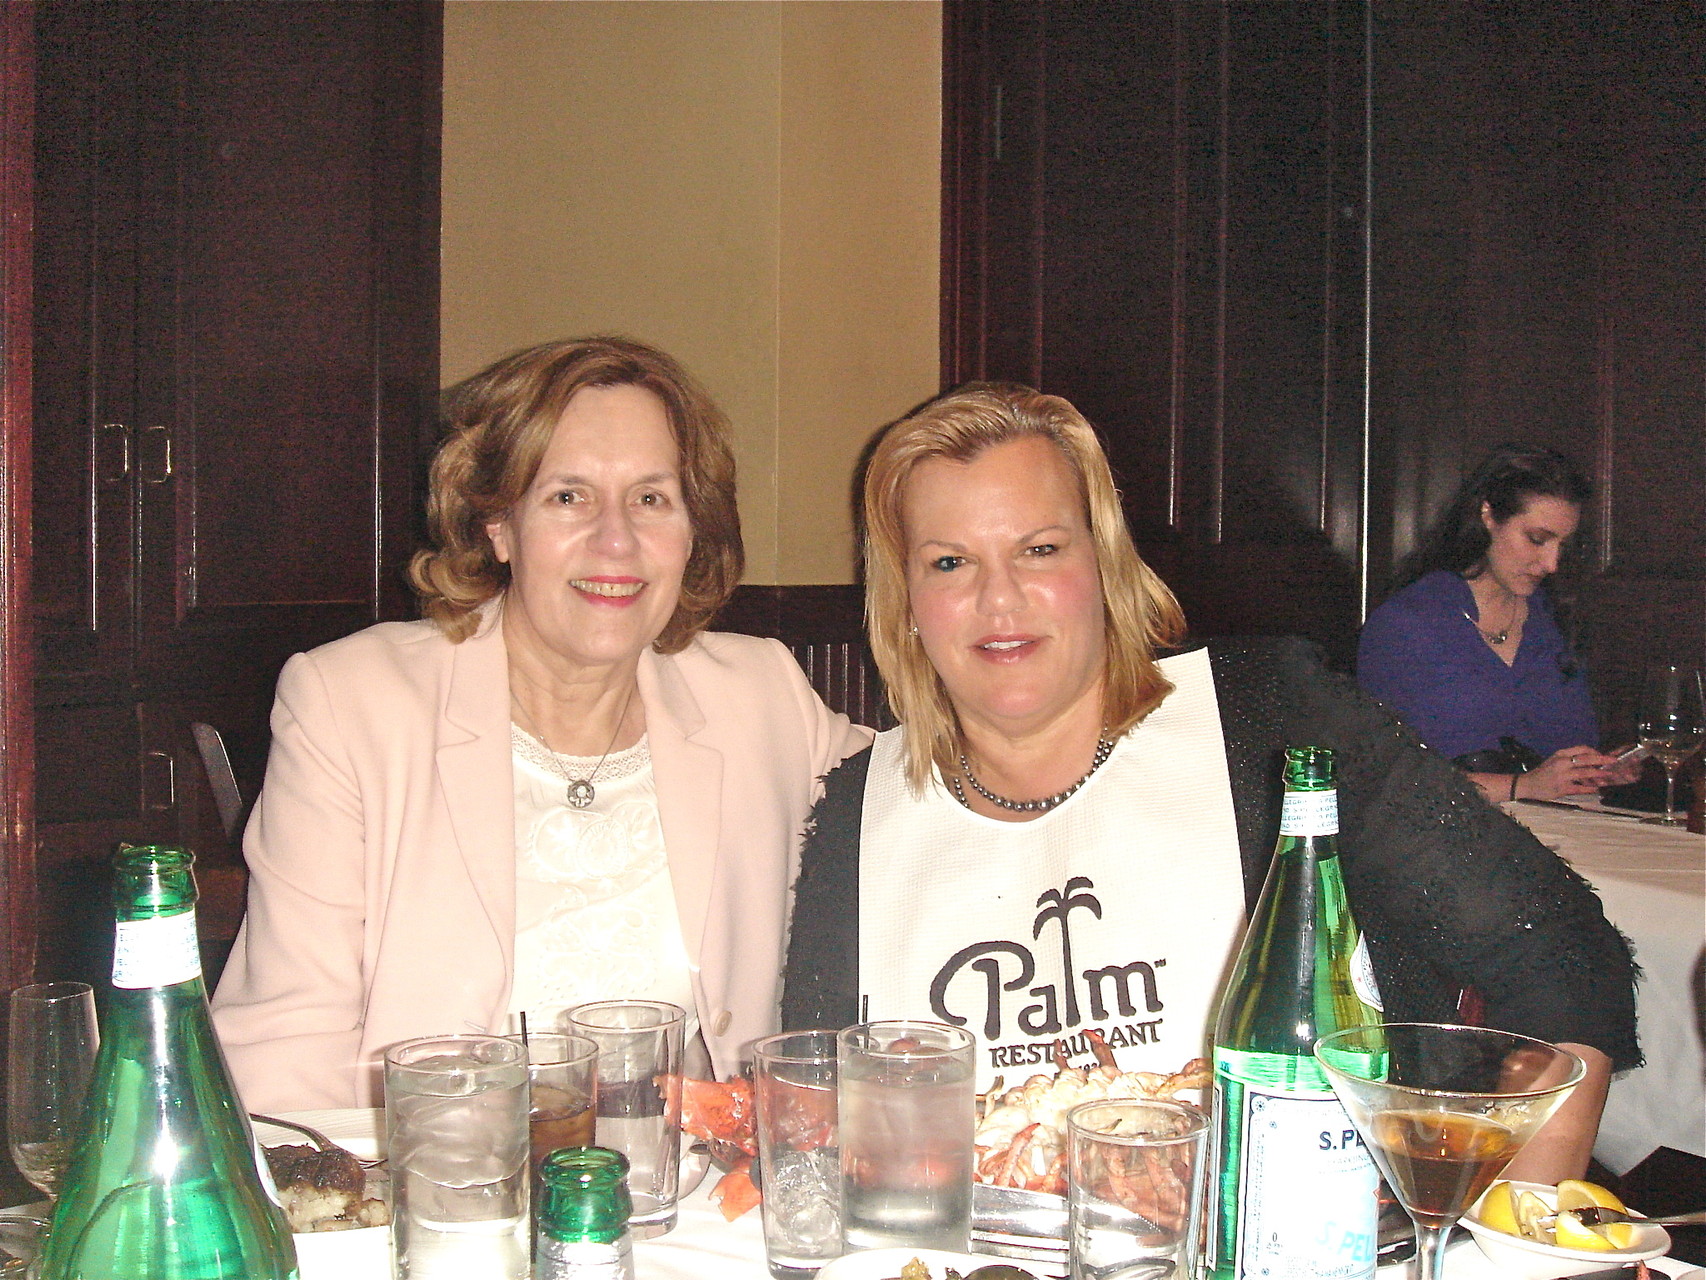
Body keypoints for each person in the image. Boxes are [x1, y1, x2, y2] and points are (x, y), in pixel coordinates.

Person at [782, 384, 1637, 1182]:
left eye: (1040, 549)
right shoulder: (859, 812)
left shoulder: (1276, 727)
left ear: (1106, 563)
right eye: (948, 563)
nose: (999, 598)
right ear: (902, 603)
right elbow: (814, 1125)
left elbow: (1562, 952)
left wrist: (1507, 1236)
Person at [212, 336, 871, 1110]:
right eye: (569, 496)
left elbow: (927, 824)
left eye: (652, 498)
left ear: (693, 531)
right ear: (497, 523)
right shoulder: (352, 704)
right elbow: (285, 1043)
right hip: (441, 1196)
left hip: (695, 1203)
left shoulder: (761, 697)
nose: (615, 540)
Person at [1356, 446, 1639, 804]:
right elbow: (1383, 777)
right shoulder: (1409, 624)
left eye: (1563, 545)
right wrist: (1523, 786)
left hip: (1566, 831)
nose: (1552, 563)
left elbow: (1564, 755)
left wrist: (1596, 770)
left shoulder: (1553, 622)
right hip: (1446, 842)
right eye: (1537, 539)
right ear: (1487, 514)